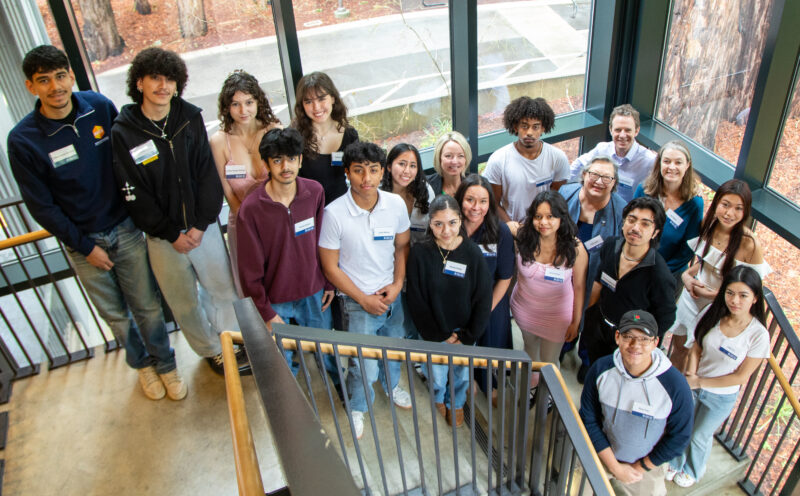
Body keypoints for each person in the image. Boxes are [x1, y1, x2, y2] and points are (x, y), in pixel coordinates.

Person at [8, 45, 185, 401]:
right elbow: (42, 206)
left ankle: (166, 364)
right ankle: (143, 366)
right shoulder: (23, 140)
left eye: (60, 76)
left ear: (71, 75)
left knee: (148, 306)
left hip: (126, 229)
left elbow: (129, 159)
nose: (55, 87)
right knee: (116, 315)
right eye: (44, 80)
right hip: (82, 243)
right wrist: (86, 246)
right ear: (31, 86)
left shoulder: (99, 107)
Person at [111, 47, 248, 376]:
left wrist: (201, 224)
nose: (163, 86)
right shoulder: (124, 132)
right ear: (139, 82)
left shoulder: (189, 117)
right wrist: (171, 233)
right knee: (184, 302)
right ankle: (211, 350)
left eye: (170, 79)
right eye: (155, 78)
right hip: (163, 239)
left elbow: (206, 174)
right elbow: (135, 194)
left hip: (204, 228)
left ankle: (233, 341)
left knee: (223, 288)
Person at [319, 141, 412, 440]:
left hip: (392, 296)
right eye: (358, 170)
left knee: (394, 349)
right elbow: (330, 267)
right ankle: (358, 406)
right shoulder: (334, 214)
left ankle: (392, 385)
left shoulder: (395, 205)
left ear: (383, 172)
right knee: (363, 365)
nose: (366, 178)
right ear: (347, 173)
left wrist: (397, 284)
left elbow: (402, 246)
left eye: (373, 170)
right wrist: (363, 299)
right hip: (356, 302)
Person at [236, 127, 339, 385]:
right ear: (266, 164)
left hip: (314, 292)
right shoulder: (251, 209)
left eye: (292, 159)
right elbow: (248, 269)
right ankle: (288, 399)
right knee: (282, 361)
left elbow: (323, 242)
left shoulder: (314, 192)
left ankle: (338, 388)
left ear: (301, 160)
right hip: (276, 299)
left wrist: (328, 281)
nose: (286, 167)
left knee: (327, 350)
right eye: (277, 160)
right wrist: (266, 312)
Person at [667, 266, 769, 488]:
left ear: (755, 298)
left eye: (743, 295)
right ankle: (675, 461)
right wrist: (691, 374)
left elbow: (740, 377)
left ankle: (693, 470)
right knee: (683, 425)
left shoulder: (759, 335)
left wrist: (699, 382)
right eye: (730, 293)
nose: (735, 300)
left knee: (700, 435)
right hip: (695, 383)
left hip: (721, 396)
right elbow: (696, 346)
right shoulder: (714, 312)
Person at [580, 310, 694, 496]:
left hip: (646, 467)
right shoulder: (600, 370)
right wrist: (615, 467)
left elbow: (679, 437)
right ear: (617, 337)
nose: (635, 345)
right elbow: (589, 420)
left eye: (644, 339)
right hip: (600, 453)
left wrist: (640, 468)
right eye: (628, 337)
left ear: (655, 342)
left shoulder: (675, 385)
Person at [406, 195, 492, 426]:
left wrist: (468, 335)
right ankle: (437, 399)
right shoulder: (420, 253)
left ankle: (455, 403)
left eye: (452, 223)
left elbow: (483, 298)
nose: (446, 231)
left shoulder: (473, 253)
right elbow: (416, 298)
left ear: (460, 221)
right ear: (430, 224)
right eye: (438, 224)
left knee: (462, 375)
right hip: (434, 334)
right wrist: (438, 334)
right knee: (436, 375)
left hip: (465, 333)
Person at [667, 179, 769, 372]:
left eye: (738, 208)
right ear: (716, 204)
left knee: (698, 358)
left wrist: (714, 295)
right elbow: (708, 263)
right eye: (725, 205)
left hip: (719, 306)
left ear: (746, 211)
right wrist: (687, 276)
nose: (729, 213)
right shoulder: (709, 226)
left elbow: (752, 286)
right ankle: (668, 386)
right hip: (692, 296)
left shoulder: (749, 243)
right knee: (679, 348)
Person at [210, 70, 281, 295]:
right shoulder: (219, 141)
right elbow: (228, 192)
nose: (243, 111)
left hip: (278, 222)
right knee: (254, 290)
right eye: (236, 104)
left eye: (249, 102)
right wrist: (250, 224)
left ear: (258, 102)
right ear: (226, 107)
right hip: (242, 223)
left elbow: (288, 180)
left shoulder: (275, 131)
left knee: (282, 283)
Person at [583, 197, 677, 365]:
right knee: (592, 369)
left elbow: (666, 317)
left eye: (645, 224)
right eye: (631, 220)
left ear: (655, 232)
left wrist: (640, 343)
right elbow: (598, 282)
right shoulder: (610, 246)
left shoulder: (659, 274)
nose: (635, 228)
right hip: (598, 327)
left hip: (627, 343)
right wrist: (584, 317)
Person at [557, 156, 626, 381]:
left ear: (614, 183)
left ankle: (586, 357)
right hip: (563, 268)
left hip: (598, 274)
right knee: (562, 309)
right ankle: (563, 345)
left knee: (591, 315)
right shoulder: (565, 194)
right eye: (594, 174)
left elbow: (618, 253)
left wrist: (600, 284)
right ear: (584, 175)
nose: (599, 181)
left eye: (607, 177)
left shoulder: (621, 211)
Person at [511, 191, 587, 394]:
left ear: (561, 217)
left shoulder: (575, 248)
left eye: (550, 216)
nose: (543, 222)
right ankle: (531, 385)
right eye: (538, 216)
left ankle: (548, 392)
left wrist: (576, 321)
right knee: (530, 350)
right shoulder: (523, 237)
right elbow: (505, 226)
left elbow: (579, 287)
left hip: (557, 317)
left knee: (549, 359)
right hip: (524, 310)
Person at [454, 174, 514, 398]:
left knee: (490, 344)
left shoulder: (501, 231)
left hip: (491, 302)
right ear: (460, 200)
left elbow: (505, 277)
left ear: (490, 203)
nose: (476, 207)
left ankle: (490, 383)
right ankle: (468, 379)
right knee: (462, 344)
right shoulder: (451, 228)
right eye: (470, 200)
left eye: (483, 201)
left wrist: (485, 310)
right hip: (459, 302)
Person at [483, 96, 569, 226]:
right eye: (524, 126)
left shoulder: (558, 158)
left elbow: (557, 200)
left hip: (544, 226)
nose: (529, 132)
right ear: (515, 127)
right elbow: (493, 203)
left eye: (535, 127)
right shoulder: (498, 159)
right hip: (511, 226)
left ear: (543, 128)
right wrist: (512, 227)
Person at [634, 141, 703, 288]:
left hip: (669, 275)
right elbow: (629, 225)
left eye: (678, 162)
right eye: (666, 161)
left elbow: (688, 248)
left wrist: (660, 272)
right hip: (636, 267)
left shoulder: (694, 204)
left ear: (687, 165)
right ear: (659, 163)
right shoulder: (644, 190)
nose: (672, 167)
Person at [292, 71, 358, 205]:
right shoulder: (294, 137)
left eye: (321, 99)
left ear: (333, 98)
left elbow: (357, 173)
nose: (316, 107)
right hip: (308, 208)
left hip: (341, 205)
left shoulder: (349, 135)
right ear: (302, 105)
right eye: (308, 102)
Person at [569, 104, 657, 202]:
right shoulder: (602, 149)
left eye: (627, 130)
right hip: (600, 204)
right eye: (618, 130)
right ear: (611, 130)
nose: (622, 135)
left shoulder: (649, 161)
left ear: (636, 131)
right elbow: (579, 164)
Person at [380, 143, 435, 246]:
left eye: (413, 166)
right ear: (389, 166)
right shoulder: (379, 193)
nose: (407, 171)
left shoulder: (426, 190)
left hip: (421, 250)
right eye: (401, 164)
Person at [426, 131, 471, 197]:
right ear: (439, 158)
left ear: (466, 159)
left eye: (460, 156)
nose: (454, 161)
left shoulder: (474, 185)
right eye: (448, 156)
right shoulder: (426, 186)